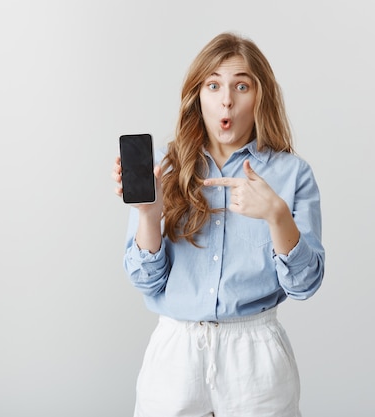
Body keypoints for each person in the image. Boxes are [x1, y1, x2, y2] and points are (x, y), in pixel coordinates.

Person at [112, 32, 325, 417]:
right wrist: (149, 214)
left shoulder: (292, 174)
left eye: (241, 85)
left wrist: (277, 216)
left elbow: (305, 284)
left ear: (260, 95)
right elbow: (146, 281)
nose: (226, 99)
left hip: (255, 356)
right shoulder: (165, 167)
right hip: (175, 353)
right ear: (198, 95)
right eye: (214, 85)